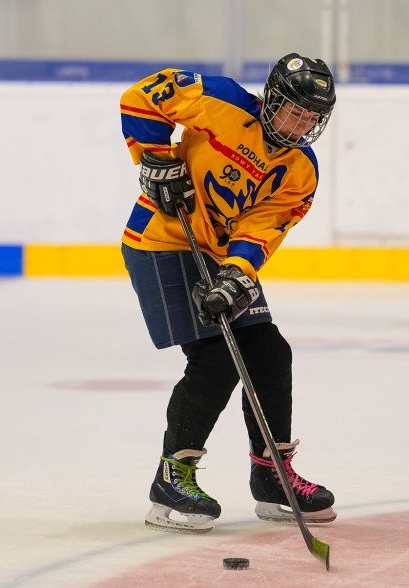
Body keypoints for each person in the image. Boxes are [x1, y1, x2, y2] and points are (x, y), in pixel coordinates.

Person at [119, 54, 338, 534]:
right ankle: (172, 477)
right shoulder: (220, 100)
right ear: (273, 99)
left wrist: (235, 275)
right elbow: (142, 97)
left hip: (219, 256)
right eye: (294, 112)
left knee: (269, 352)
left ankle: (271, 475)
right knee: (215, 358)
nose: (300, 125)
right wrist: (156, 158)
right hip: (160, 241)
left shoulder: (301, 170)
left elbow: (262, 228)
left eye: (311, 118)